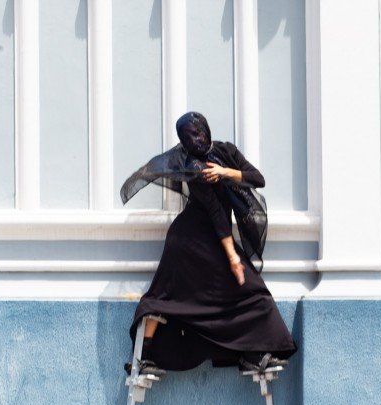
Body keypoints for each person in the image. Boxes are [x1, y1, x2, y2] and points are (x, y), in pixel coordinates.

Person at [120, 111, 297, 375]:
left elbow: (257, 178)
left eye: (199, 133)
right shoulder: (193, 166)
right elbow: (216, 214)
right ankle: (145, 356)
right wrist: (233, 258)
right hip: (190, 238)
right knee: (167, 296)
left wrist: (225, 172)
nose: (196, 141)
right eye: (189, 138)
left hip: (210, 237)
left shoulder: (227, 151)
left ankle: (252, 352)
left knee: (249, 291)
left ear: (206, 129)